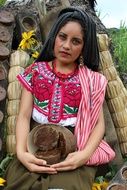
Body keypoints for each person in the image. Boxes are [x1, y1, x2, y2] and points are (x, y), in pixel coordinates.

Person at [4, 6, 115, 190]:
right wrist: (22, 153)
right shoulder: (35, 72)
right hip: (35, 145)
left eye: (76, 41)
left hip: (75, 148)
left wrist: (83, 156)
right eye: (62, 37)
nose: (66, 45)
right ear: (54, 36)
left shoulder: (90, 80)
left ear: (84, 47)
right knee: (21, 182)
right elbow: (23, 116)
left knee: (67, 185)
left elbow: (98, 125)